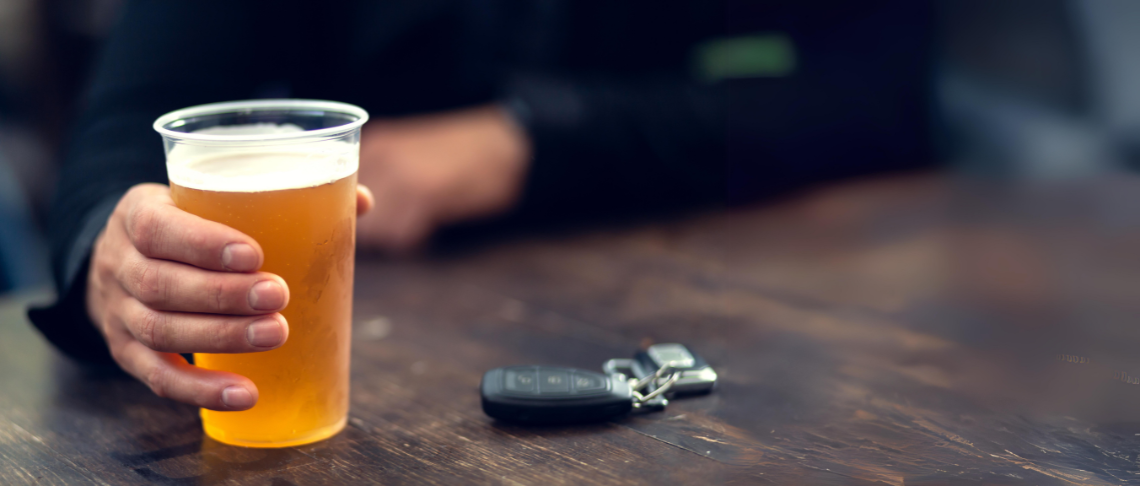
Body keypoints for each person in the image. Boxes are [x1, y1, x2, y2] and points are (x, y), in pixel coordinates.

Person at [30, 0, 934, 411]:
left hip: (721, 314)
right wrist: (112, 253)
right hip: (355, 334)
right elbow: (127, 121)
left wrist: (529, 140)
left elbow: (875, 94)